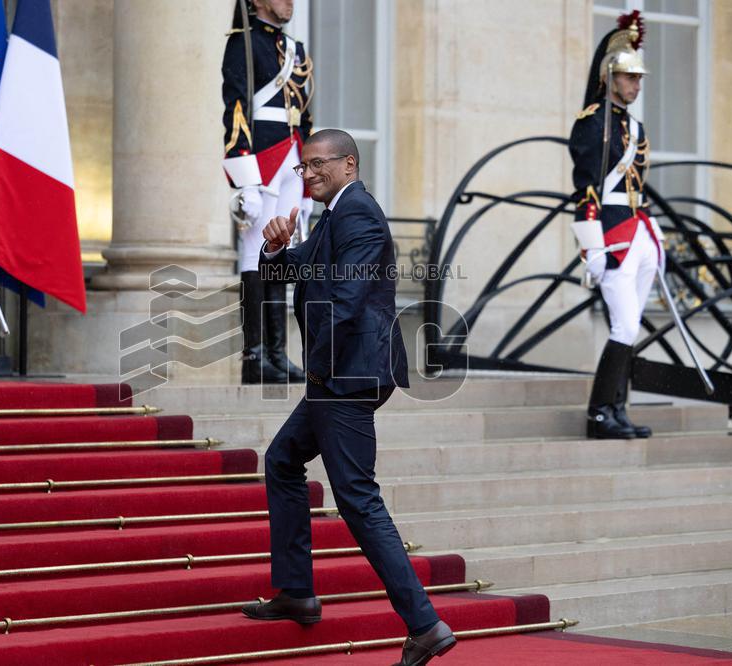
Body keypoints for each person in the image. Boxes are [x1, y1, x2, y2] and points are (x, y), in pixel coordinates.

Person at [244, 129, 456, 666]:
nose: (308, 173)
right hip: (338, 374)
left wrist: (315, 368)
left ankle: (425, 624)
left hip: (346, 376)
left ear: (349, 164)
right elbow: (293, 273)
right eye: (303, 166)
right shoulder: (335, 213)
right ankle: (297, 591)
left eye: (318, 164)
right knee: (284, 460)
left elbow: (345, 298)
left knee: (358, 500)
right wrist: (274, 247)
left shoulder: (358, 213)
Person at [569, 10, 661, 439]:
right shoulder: (593, 123)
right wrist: (592, 246)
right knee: (624, 323)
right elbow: (585, 189)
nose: (636, 85)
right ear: (611, 76)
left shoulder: (635, 126)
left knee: (631, 323)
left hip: (638, 230)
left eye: (639, 78)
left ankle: (618, 409)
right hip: (611, 233)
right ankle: (599, 413)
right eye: (629, 77)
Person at [222, 0, 312, 384]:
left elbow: (305, 115)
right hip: (261, 158)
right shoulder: (242, 43)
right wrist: (244, 176)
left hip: (293, 156)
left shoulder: (296, 50)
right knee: (254, 253)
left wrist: (311, 175)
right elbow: (237, 109)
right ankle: (254, 356)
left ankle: (277, 354)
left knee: (281, 251)